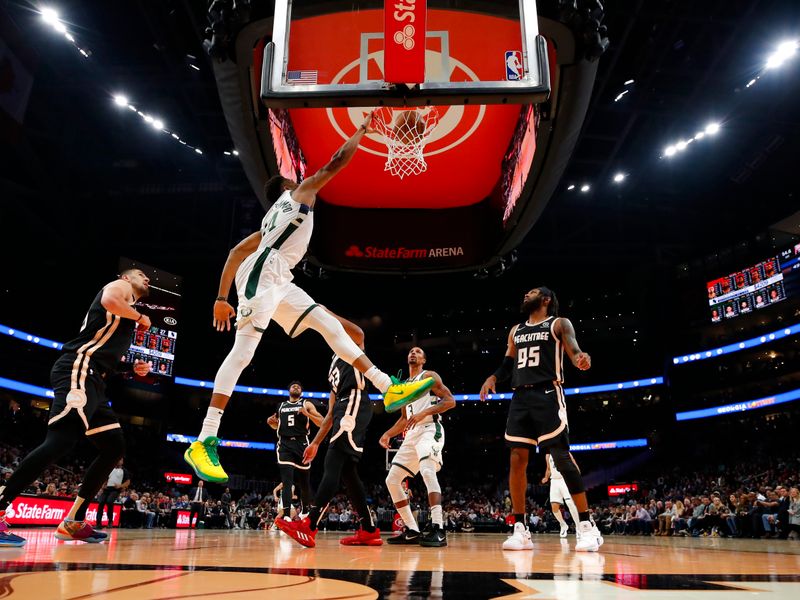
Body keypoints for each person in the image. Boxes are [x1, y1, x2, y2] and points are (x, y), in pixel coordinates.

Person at [184, 112, 433, 484]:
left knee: (327, 323)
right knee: (244, 351)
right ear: (287, 185)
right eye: (294, 179)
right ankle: (204, 438)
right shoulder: (296, 196)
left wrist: (222, 296)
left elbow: (237, 249)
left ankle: (387, 386)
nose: (302, 181)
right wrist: (362, 130)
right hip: (264, 274)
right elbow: (334, 164)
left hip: (278, 275)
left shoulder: (272, 219)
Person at [0, 269, 152, 547]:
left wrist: (132, 368)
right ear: (126, 277)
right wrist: (141, 317)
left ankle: (73, 521)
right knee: (60, 441)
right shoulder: (119, 288)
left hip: (94, 378)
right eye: (141, 274)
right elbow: (108, 300)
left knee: (113, 446)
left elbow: (105, 357)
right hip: (78, 368)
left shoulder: (124, 313)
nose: (147, 278)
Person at [480, 287, 602, 552]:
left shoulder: (558, 323)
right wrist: (493, 377)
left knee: (560, 456)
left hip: (547, 392)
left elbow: (573, 348)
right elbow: (507, 363)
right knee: (516, 459)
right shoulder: (515, 330)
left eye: (532, 292)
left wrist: (581, 358)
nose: (526, 294)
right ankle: (520, 529)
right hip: (520, 398)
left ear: (546, 299)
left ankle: (586, 526)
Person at [276, 317, 383, 547]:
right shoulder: (332, 367)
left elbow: (360, 332)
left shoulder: (350, 345)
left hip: (354, 400)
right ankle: (369, 529)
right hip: (344, 408)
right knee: (348, 473)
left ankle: (310, 525)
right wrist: (314, 443)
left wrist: (326, 315)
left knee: (333, 462)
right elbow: (330, 414)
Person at [380, 347, 456, 547]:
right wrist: (388, 434)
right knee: (392, 479)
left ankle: (438, 528)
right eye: (411, 351)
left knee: (427, 470)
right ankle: (412, 530)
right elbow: (405, 419)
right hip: (411, 434)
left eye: (419, 351)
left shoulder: (429, 376)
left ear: (424, 359)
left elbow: (450, 401)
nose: (413, 353)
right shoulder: (404, 385)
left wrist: (425, 412)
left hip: (430, 428)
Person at [267, 381, 323, 519]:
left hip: (301, 444)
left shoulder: (306, 404)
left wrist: (307, 414)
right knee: (287, 482)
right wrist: (271, 423)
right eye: (293, 386)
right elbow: (277, 426)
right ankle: (286, 516)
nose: (296, 386)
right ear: (289, 390)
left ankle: (304, 511)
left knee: (304, 482)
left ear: (301, 392)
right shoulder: (280, 406)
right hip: (285, 445)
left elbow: (322, 422)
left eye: (299, 386)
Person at [542, 451, 581, 538]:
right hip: (554, 481)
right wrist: (546, 477)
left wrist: (577, 476)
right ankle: (563, 525)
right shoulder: (548, 454)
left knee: (570, 503)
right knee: (554, 507)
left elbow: (574, 463)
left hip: (564, 479)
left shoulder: (565, 451)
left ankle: (578, 527)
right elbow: (548, 469)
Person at [95, 458, 130, 529]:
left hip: (115, 490)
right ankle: (98, 524)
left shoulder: (124, 471)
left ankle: (110, 521)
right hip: (107, 489)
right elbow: (106, 478)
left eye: (120, 460)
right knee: (101, 502)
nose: (118, 461)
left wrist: (120, 486)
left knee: (109, 501)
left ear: (122, 462)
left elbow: (128, 482)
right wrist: (103, 485)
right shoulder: (110, 468)